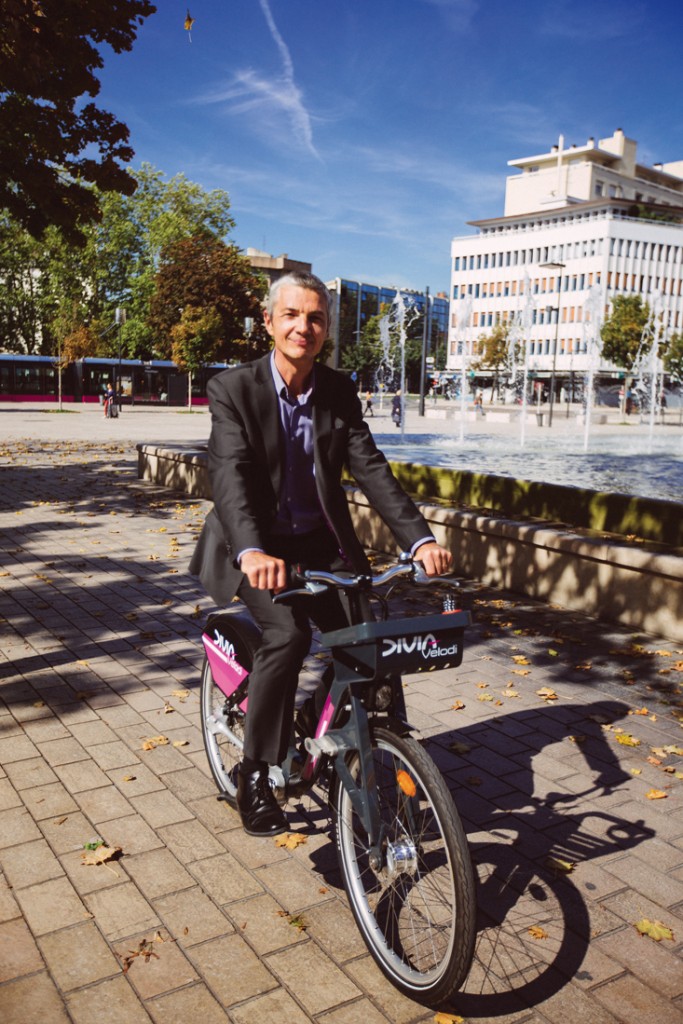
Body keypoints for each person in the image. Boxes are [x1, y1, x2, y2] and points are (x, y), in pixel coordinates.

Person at [190, 271, 452, 837]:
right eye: (291, 315)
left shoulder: (336, 391)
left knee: (365, 632)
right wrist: (253, 550)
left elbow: (371, 469)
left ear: (326, 327)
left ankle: (354, 741)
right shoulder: (232, 389)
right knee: (287, 634)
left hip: (318, 545)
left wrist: (420, 538)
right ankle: (256, 771)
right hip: (253, 545)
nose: (302, 327)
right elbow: (230, 476)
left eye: (314, 318)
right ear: (269, 322)